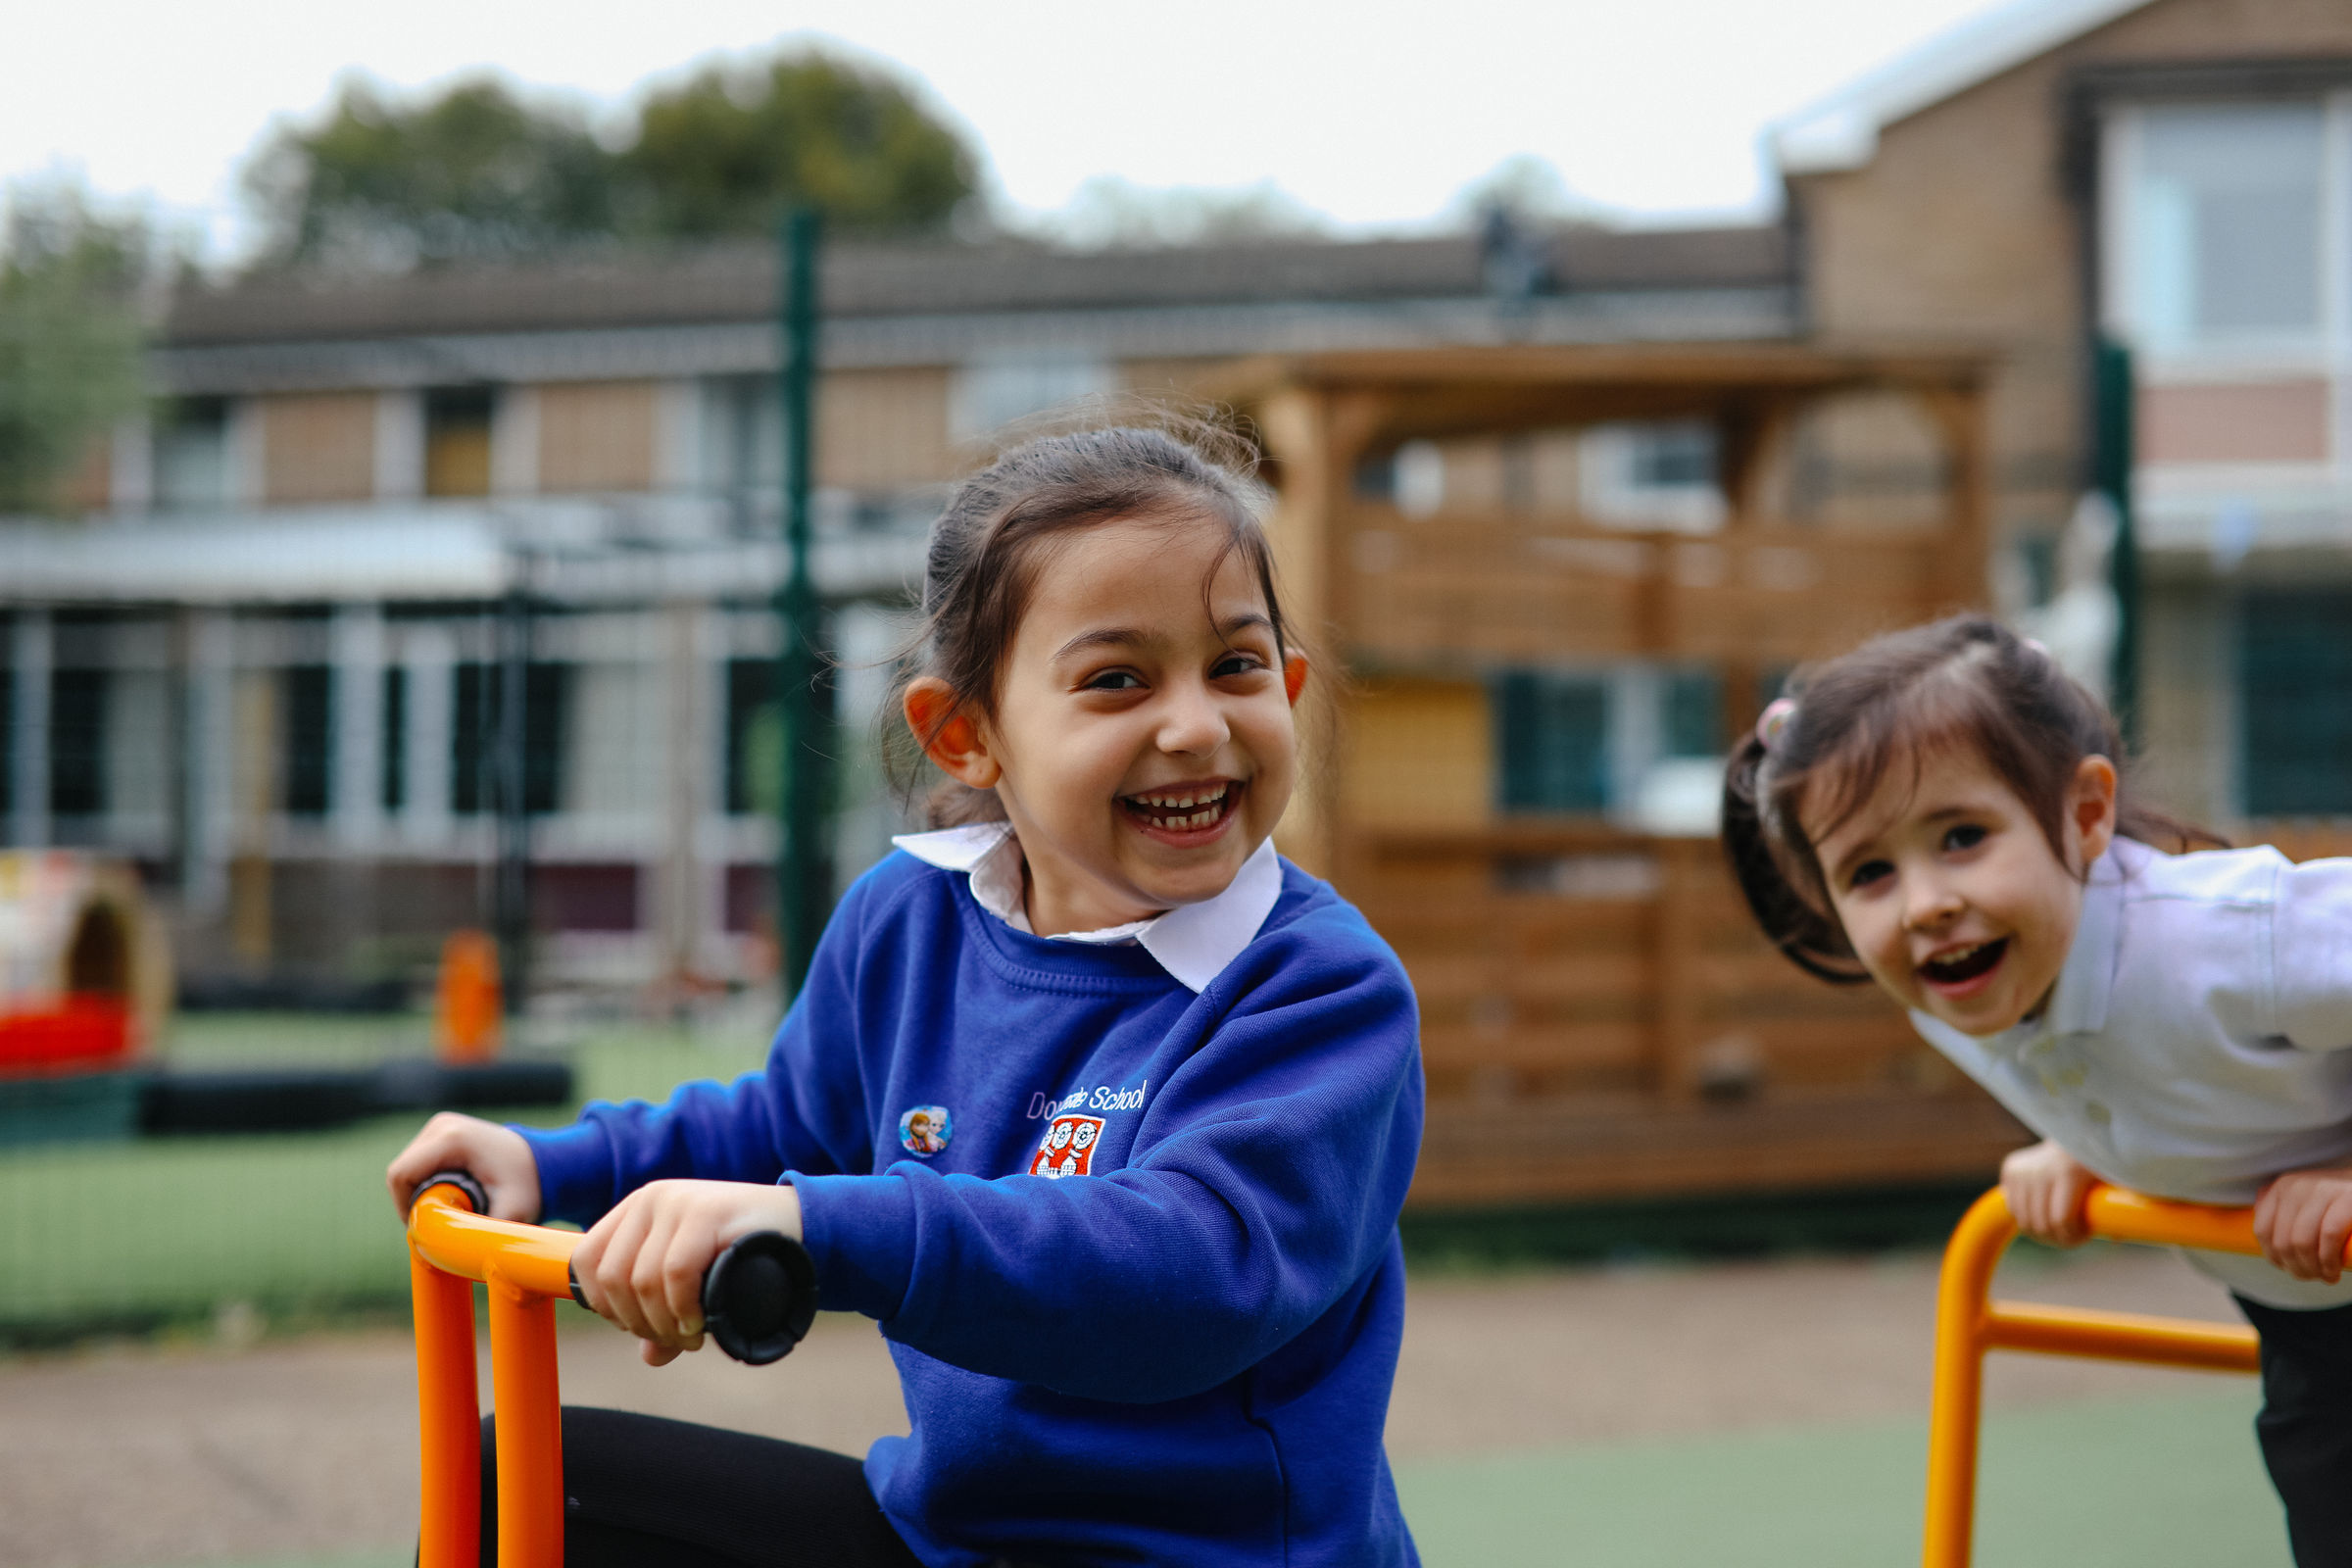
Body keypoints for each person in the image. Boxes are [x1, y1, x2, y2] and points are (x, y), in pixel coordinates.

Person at [386, 421, 1425, 1568]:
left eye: (1234, 667)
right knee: (523, 1482)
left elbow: (1190, 1273)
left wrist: (825, 1228)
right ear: (967, 734)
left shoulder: (1317, 986)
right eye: (1117, 680)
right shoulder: (911, 920)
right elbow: (786, 1128)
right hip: (952, 1540)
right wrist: (555, 1166)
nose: (1195, 725)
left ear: (1287, 686)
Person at [1721, 612, 2352, 1568]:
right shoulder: (1956, 997)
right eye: (1870, 872)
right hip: (2311, 1332)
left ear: (2086, 814)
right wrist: (2085, 1150)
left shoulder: (2226, 939)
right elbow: (2152, 1063)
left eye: (1963, 836)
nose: (1925, 904)